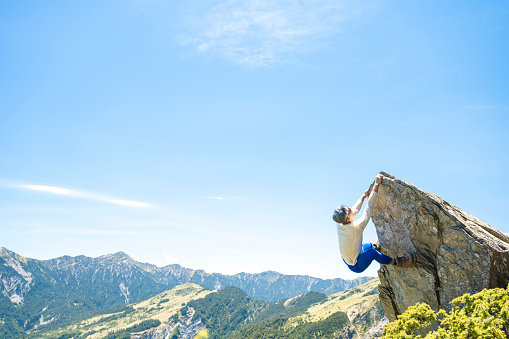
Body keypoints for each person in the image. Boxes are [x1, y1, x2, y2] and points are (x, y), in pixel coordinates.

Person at [332, 173, 415, 273]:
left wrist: (363, 197)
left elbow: (354, 210)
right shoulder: (356, 228)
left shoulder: (340, 224)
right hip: (356, 265)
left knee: (370, 246)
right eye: (349, 211)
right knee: (371, 253)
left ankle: (377, 248)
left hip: (350, 256)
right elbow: (369, 208)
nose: (351, 209)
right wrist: (376, 184)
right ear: (348, 218)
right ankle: (398, 262)